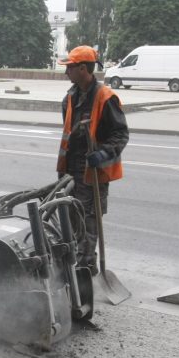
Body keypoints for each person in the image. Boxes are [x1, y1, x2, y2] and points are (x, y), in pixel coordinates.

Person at [56, 45, 129, 273]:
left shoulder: (106, 98)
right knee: (69, 216)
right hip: (69, 170)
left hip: (92, 172)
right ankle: (72, 261)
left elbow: (121, 134)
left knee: (88, 218)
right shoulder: (69, 98)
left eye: (70, 68)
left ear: (84, 69)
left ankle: (86, 266)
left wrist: (103, 153)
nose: (66, 72)